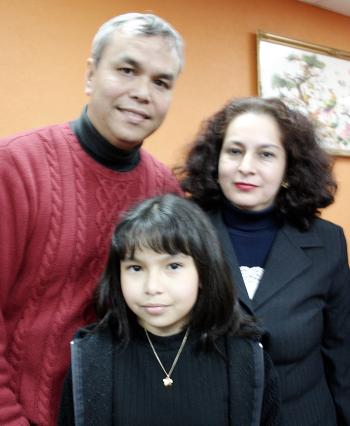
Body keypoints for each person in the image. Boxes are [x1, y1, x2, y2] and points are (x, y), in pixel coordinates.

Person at [0, 13, 183, 426]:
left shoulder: (166, 190)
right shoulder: (14, 167)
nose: (142, 92)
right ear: (90, 76)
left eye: (161, 82)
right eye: (126, 70)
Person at [178, 97, 350, 426]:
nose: (246, 166)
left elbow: (342, 352)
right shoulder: (181, 231)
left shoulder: (328, 242)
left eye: (266, 154)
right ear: (216, 159)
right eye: (234, 151)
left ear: (289, 168)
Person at [58, 194, 281, 425]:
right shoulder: (91, 358)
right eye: (135, 268)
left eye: (173, 266)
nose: (152, 287)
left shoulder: (246, 356)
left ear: (203, 273)